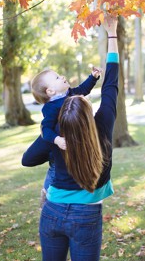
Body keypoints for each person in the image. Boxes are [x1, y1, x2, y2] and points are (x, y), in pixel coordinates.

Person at [22, 14, 119, 261]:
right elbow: (111, 86)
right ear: (89, 113)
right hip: (86, 217)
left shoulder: (53, 130)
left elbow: (27, 160)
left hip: (51, 213)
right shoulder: (102, 126)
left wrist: (50, 140)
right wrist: (112, 35)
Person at [30, 65, 103, 206]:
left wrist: (93, 77)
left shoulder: (69, 94)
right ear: (50, 91)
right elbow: (45, 129)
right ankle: (46, 191)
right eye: (57, 77)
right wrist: (56, 140)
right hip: (60, 143)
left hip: (74, 140)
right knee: (55, 169)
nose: (62, 77)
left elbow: (83, 89)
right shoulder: (50, 108)